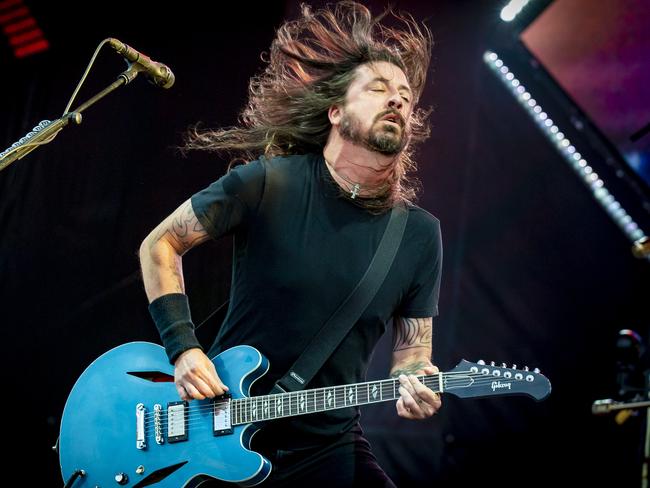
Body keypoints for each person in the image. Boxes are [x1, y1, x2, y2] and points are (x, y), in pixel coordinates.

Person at [138, 2, 442, 486]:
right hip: (218, 434)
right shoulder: (267, 185)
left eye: (405, 96)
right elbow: (160, 244)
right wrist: (184, 350)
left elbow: (413, 353)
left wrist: (418, 380)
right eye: (379, 89)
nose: (397, 102)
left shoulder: (419, 234)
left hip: (329, 446)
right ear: (336, 110)